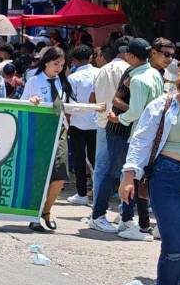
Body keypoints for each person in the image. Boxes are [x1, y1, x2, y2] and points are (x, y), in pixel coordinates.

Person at [120, 73, 180, 285]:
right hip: (167, 176)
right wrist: (128, 176)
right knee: (175, 240)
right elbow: (141, 140)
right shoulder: (164, 104)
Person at [108, 38, 164, 240]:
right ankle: (145, 224)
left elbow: (136, 112)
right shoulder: (154, 74)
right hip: (156, 134)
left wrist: (117, 118)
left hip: (140, 134)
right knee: (145, 181)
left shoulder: (139, 79)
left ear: (131, 56)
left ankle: (139, 226)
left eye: (127, 54)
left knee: (132, 179)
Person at [23, 46, 74, 232]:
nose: (59, 68)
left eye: (62, 64)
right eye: (55, 63)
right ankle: (34, 215)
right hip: (40, 131)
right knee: (40, 174)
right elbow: (22, 103)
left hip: (59, 130)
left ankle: (47, 210)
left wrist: (93, 108)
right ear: (46, 62)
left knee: (60, 173)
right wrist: (32, 101)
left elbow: (70, 105)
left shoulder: (62, 82)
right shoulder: (34, 81)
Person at [86, 41, 131, 232]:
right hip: (121, 124)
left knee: (101, 168)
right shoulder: (130, 70)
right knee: (123, 169)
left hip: (102, 121)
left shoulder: (102, 70)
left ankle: (97, 210)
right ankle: (124, 211)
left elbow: (94, 97)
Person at [66, 45, 100, 206]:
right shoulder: (100, 73)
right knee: (96, 160)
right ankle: (98, 193)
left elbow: (70, 102)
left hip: (78, 122)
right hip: (97, 121)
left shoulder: (73, 77)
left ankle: (82, 194)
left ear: (74, 60)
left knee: (79, 160)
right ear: (91, 57)